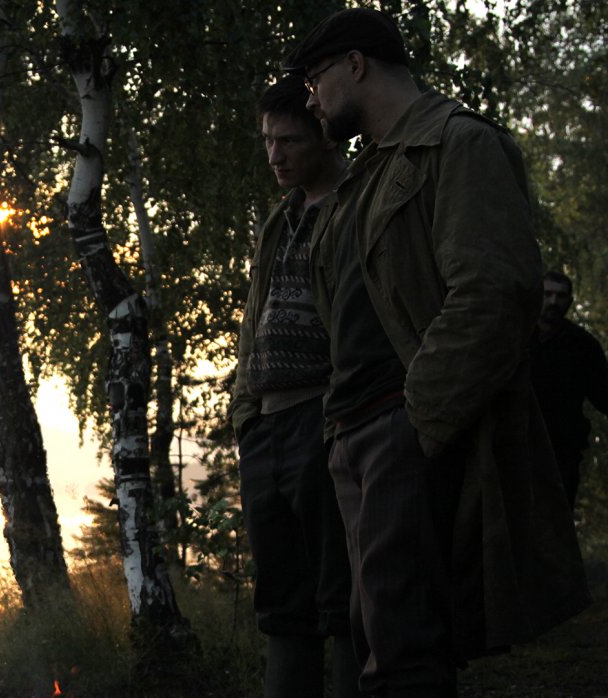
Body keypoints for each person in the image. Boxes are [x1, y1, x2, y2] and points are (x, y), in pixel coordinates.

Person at [284, 8, 588, 696]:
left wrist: (414, 424)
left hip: (403, 427)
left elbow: (493, 293)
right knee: (376, 637)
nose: (312, 99)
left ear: (355, 65)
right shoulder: (364, 178)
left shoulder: (461, 144)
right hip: (355, 434)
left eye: (315, 78)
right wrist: (342, 432)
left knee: (405, 655)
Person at [229, 74, 359, 698]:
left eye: (288, 141)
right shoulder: (279, 221)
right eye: (267, 142)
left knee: (345, 598)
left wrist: (339, 415)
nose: (275, 155)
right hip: (268, 427)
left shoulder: (357, 206)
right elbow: (253, 321)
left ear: (324, 137)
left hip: (328, 419)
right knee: (282, 605)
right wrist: (246, 416)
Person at [530, 270, 608, 509]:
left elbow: (604, 394)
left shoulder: (584, 346)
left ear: (570, 301)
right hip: (514, 445)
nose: (553, 302)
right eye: (548, 294)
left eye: (560, 296)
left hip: (561, 453)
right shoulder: (516, 338)